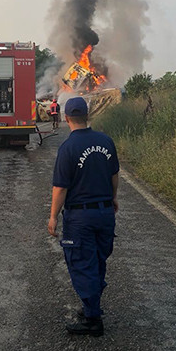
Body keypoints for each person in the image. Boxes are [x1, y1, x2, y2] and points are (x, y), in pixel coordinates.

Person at [48, 96, 119, 337]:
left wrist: (53, 217)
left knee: (81, 263)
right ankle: (91, 305)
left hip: (81, 218)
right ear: (87, 116)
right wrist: (114, 198)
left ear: (66, 118)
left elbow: (60, 188)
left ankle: (93, 320)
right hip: (105, 212)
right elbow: (114, 175)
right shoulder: (106, 141)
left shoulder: (68, 148)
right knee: (98, 260)